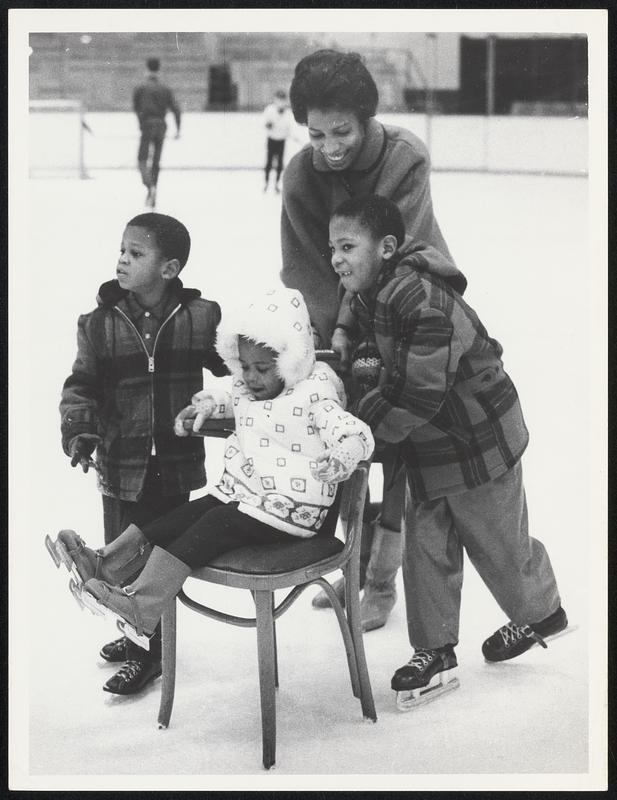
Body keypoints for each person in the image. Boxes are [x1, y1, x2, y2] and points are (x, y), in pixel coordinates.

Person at [328, 194, 567, 707]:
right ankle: (434, 649)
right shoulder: (378, 289)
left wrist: (358, 424)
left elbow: (417, 395)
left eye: (348, 246)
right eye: (333, 248)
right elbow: (369, 328)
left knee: (497, 542)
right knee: (426, 544)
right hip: (433, 445)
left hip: (478, 440)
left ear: (387, 247)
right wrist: (349, 336)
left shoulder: (421, 302)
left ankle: (541, 613)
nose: (337, 259)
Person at [51, 289, 374, 652]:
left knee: (212, 524)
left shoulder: (315, 396)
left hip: (293, 512)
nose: (251, 377)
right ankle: (107, 564)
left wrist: (343, 455)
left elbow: (354, 432)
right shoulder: (251, 388)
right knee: (186, 514)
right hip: (249, 500)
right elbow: (231, 398)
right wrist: (207, 406)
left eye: (263, 369)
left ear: (291, 360)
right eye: (245, 366)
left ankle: (144, 605)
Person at [281, 49, 461, 632]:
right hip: (341, 322)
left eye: (343, 133)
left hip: (409, 312)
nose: (329, 147)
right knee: (344, 447)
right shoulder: (302, 176)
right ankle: (351, 565)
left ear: (367, 121)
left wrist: (360, 331)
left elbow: (395, 256)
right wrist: (324, 341)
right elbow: (307, 266)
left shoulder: (404, 157)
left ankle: (382, 583)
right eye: (315, 134)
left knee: (401, 453)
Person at [53, 212, 227, 696]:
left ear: (169, 269)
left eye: (136, 253)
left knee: (160, 560)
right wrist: (81, 433)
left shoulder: (200, 317)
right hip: (121, 463)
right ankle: (135, 638)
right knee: (123, 555)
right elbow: (81, 387)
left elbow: (236, 363)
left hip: (175, 464)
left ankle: (152, 654)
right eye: (122, 251)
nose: (122, 260)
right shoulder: (100, 324)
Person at [133, 57, 181, 208]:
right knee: (156, 162)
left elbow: (136, 108)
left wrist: (141, 123)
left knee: (142, 160)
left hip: (147, 125)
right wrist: (178, 129)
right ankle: (153, 192)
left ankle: (149, 186)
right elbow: (176, 110)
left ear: (146, 69)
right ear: (159, 70)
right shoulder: (165, 89)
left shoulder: (140, 88)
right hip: (161, 125)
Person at [262, 89, 295, 193]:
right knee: (269, 161)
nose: (281, 102)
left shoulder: (288, 113)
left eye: (282, 100)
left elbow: (289, 127)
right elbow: (265, 123)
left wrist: (289, 134)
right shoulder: (269, 109)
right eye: (279, 99)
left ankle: (276, 184)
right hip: (272, 139)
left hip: (281, 140)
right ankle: (266, 183)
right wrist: (269, 125)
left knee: (280, 163)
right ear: (275, 100)